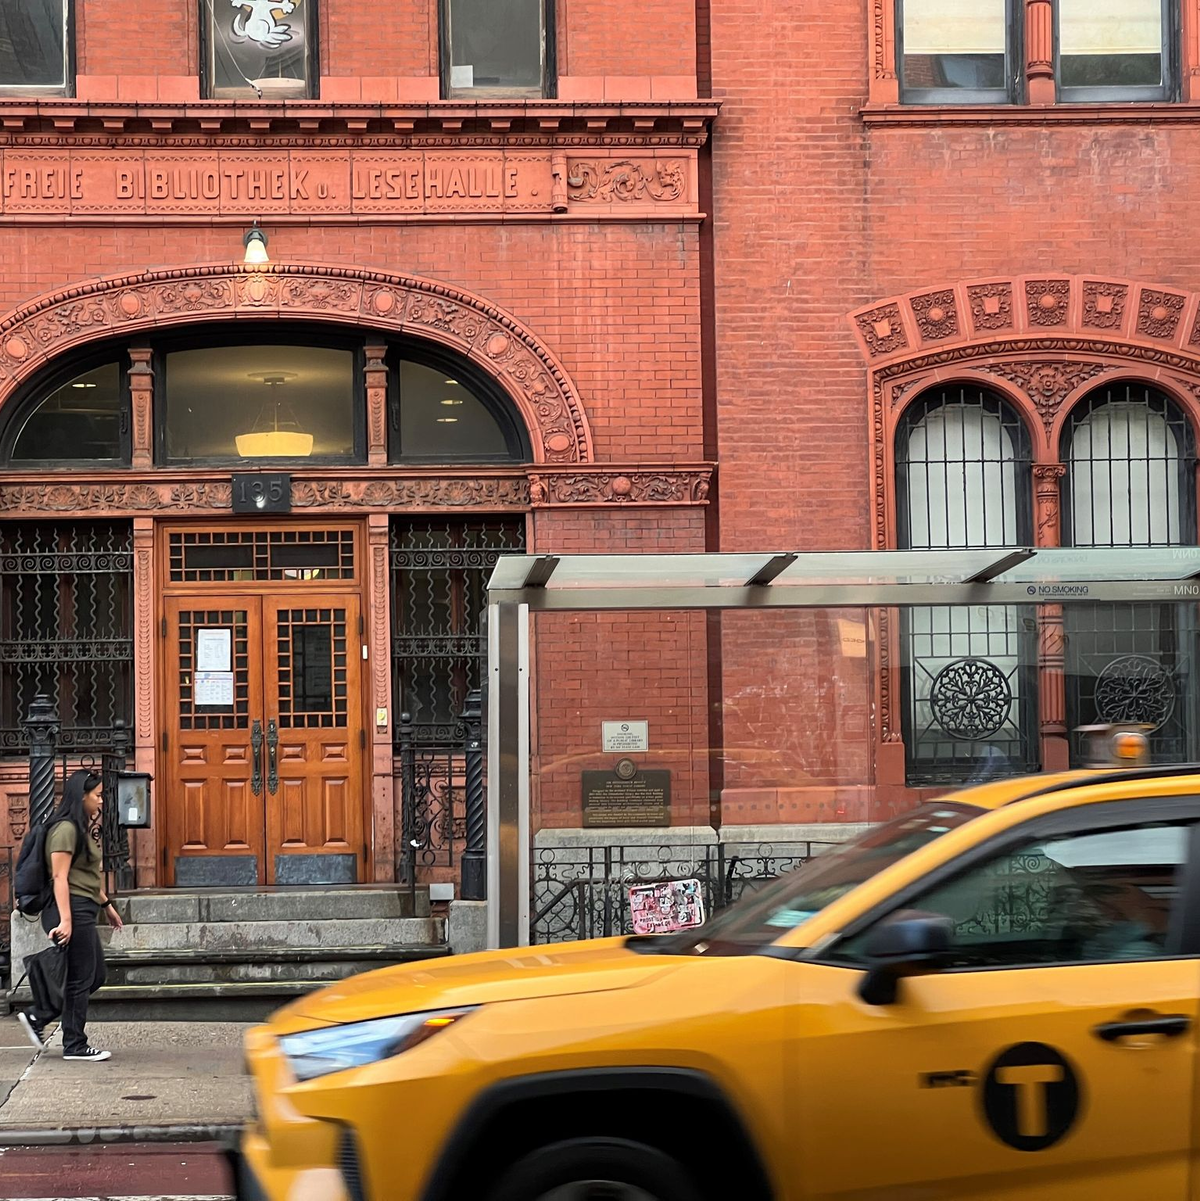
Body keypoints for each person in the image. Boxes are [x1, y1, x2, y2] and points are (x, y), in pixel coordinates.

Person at [17, 770, 124, 1061]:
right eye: (97, 795)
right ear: (82, 796)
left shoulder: (78, 828)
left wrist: (107, 905)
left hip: (83, 907)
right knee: (80, 977)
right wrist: (66, 920)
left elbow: (84, 876)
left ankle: (40, 1016)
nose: (100, 802)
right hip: (70, 909)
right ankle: (75, 1044)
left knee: (95, 974)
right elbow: (60, 878)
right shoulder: (64, 829)